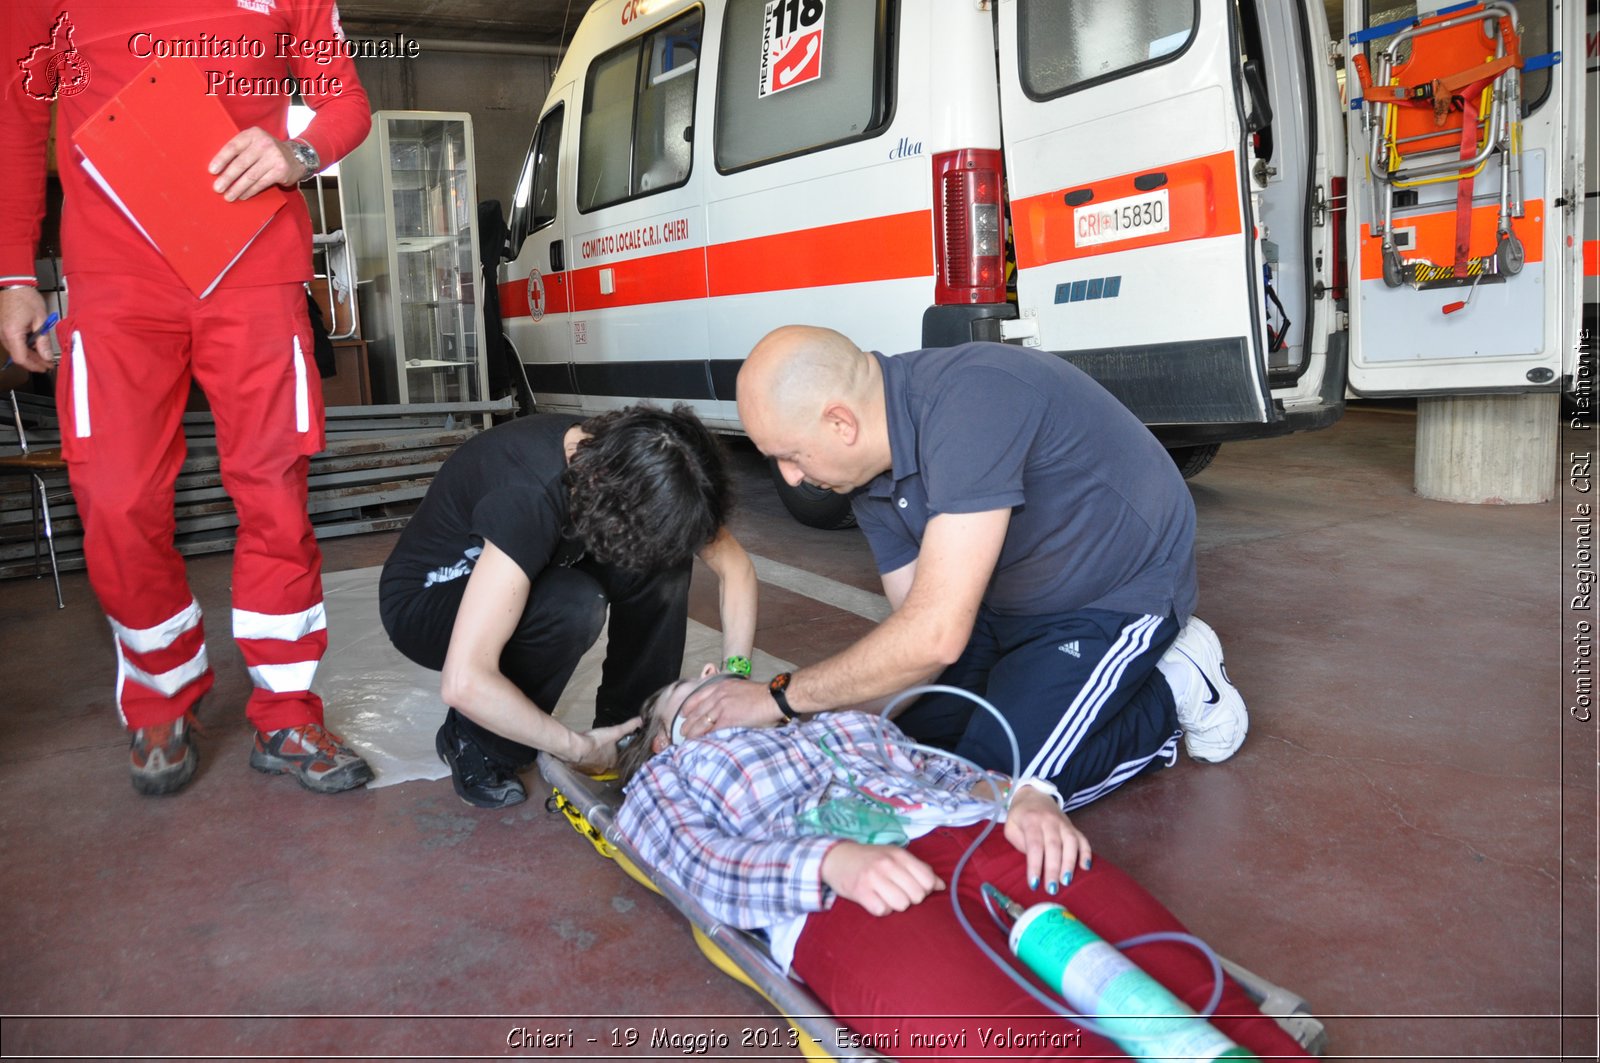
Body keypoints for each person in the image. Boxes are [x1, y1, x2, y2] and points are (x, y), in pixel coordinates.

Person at [0, 2, 375, 795]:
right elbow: (18, 115)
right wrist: (12, 277)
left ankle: (288, 709)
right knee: (114, 493)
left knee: (274, 488)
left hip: (253, 264)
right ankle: (161, 693)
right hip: (115, 282)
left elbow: (345, 101)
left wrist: (297, 152)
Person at [681, 325, 1247, 810]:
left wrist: (776, 697)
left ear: (839, 423)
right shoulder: (865, 477)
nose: (790, 478)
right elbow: (915, 642)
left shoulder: (971, 402)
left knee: (987, 799)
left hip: (1109, 594)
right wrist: (816, 732)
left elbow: (934, 637)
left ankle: (1173, 688)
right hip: (997, 602)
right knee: (906, 759)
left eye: (790, 455)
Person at [614, 672, 1310, 1060]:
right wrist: (830, 860)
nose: (711, 676)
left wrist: (1024, 798)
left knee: (1181, 981)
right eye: (683, 688)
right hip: (847, 895)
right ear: (662, 739)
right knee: (1028, 1044)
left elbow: (943, 770)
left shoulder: (836, 723)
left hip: (978, 835)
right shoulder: (669, 775)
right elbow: (694, 862)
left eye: (714, 673)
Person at [379, 405, 758, 809]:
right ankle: (476, 741)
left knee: (666, 555)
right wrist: (577, 747)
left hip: (535, 558)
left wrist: (733, 680)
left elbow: (736, 570)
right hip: (432, 599)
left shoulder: (640, 461)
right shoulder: (528, 496)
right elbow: (464, 680)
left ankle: (630, 731)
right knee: (573, 604)